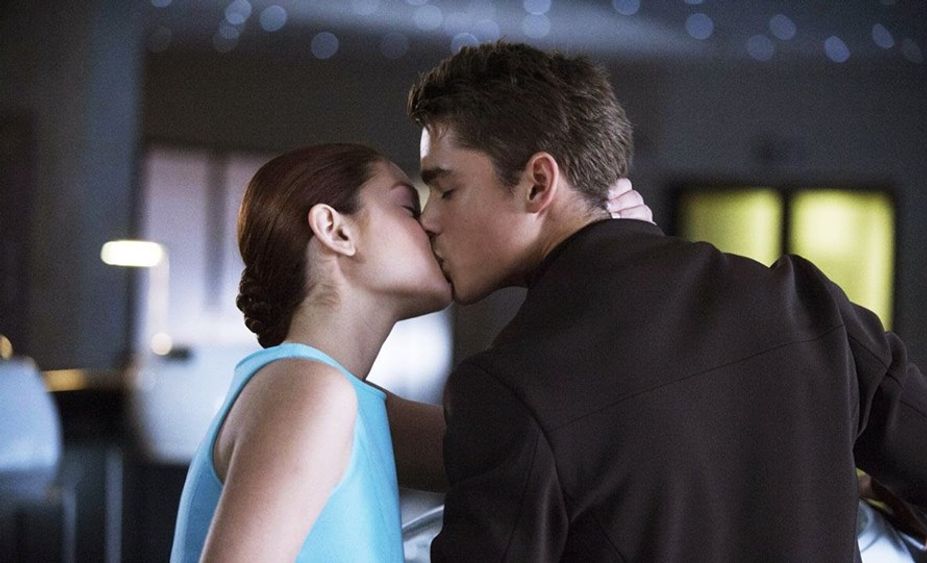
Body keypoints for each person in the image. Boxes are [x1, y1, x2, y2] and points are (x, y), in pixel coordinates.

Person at [407, 41, 927, 561]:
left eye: (446, 188)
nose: (428, 219)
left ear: (538, 183)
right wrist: (860, 497)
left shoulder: (509, 386)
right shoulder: (804, 305)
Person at [168, 143, 650, 562]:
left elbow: (543, 451)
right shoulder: (309, 390)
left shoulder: (347, 401)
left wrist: (602, 250)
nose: (433, 224)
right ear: (336, 230)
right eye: (409, 208)